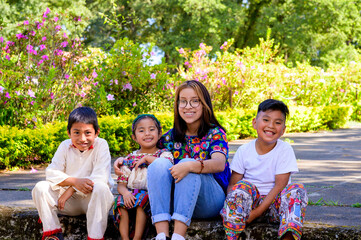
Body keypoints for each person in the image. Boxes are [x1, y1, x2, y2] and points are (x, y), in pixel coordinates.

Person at [115, 80, 231, 240]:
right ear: (177, 105)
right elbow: (147, 150)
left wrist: (191, 165)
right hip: (177, 201)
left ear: (204, 104)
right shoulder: (170, 137)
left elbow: (219, 164)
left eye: (195, 101)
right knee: (159, 163)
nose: (188, 106)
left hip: (209, 200)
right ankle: (162, 235)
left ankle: (178, 236)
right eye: (183, 101)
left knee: (186, 165)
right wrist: (123, 160)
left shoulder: (215, 133)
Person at [220, 99, 308, 240]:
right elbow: (232, 184)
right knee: (241, 188)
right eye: (266, 120)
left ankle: (288, 237)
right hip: (248, 207)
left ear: (283, 130)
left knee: (297, 190)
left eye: (278, 122)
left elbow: (280, 186)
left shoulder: (285, 149)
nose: (271, 126)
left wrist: (257, 212)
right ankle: (232, 236)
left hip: (276, 208)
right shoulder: (244, 150)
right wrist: (230, 208)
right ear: (255, 123)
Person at [32, 107, 114, 240]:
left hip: (93, 201)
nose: (82, 139)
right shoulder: (65, 146)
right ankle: (53, 234)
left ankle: (95, 237)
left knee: (101, 187)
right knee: (40, 188)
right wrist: (75, 181)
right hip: (66, 203)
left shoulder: (102, 145)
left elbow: (100, 177)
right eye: (76, 132)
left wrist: (71, 188)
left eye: (88, 133)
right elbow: (52, 173)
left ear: (96, 132)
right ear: (69, 133)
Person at [113, 114, 173, 240]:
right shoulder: (130, 158)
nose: (147, 133)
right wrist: (125, 194)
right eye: (141, 130)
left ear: (159, 133)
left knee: (142, 200)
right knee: (119, 203)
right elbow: (121, 184)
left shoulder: (163, 154)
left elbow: (166, 166)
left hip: (151, 196)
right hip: (131, 194)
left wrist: (146, 159)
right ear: (134, 137)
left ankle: (137, 237)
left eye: (151, 129)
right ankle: (125, 238)